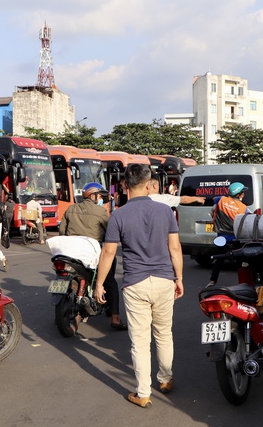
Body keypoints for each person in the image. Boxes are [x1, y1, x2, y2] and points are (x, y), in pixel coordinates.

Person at [93, 164, 184, 408]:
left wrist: (99, 284)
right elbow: (175, 248)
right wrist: (179, 278)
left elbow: (108, 253)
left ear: (125, 184)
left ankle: (143, 393)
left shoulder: (118, 215)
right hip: (164, 280)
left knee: (140, 341)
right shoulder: (165, 211)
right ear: (149, 184)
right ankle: (165, 379)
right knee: (164, 333)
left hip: (135, 284)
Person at [60, 182, 127, 330]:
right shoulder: (100, 212)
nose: (101, 199)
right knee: (110, 281)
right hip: (92, 254)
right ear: (92, 196)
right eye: (100, 196)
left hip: (70, 254)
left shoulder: (70, 209)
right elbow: (110, 232)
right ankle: (115, 318)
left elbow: (62, 232)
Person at [207, 182, 250, 287]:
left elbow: (214, 201)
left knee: (219, 260)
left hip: (221, 237)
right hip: (235, 238)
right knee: (242, 261)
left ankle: (213, 281)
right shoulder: (243, 208)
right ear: (238, 194)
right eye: (243, 193)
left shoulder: (221, 200)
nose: (244, 195)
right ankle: (244, 283)